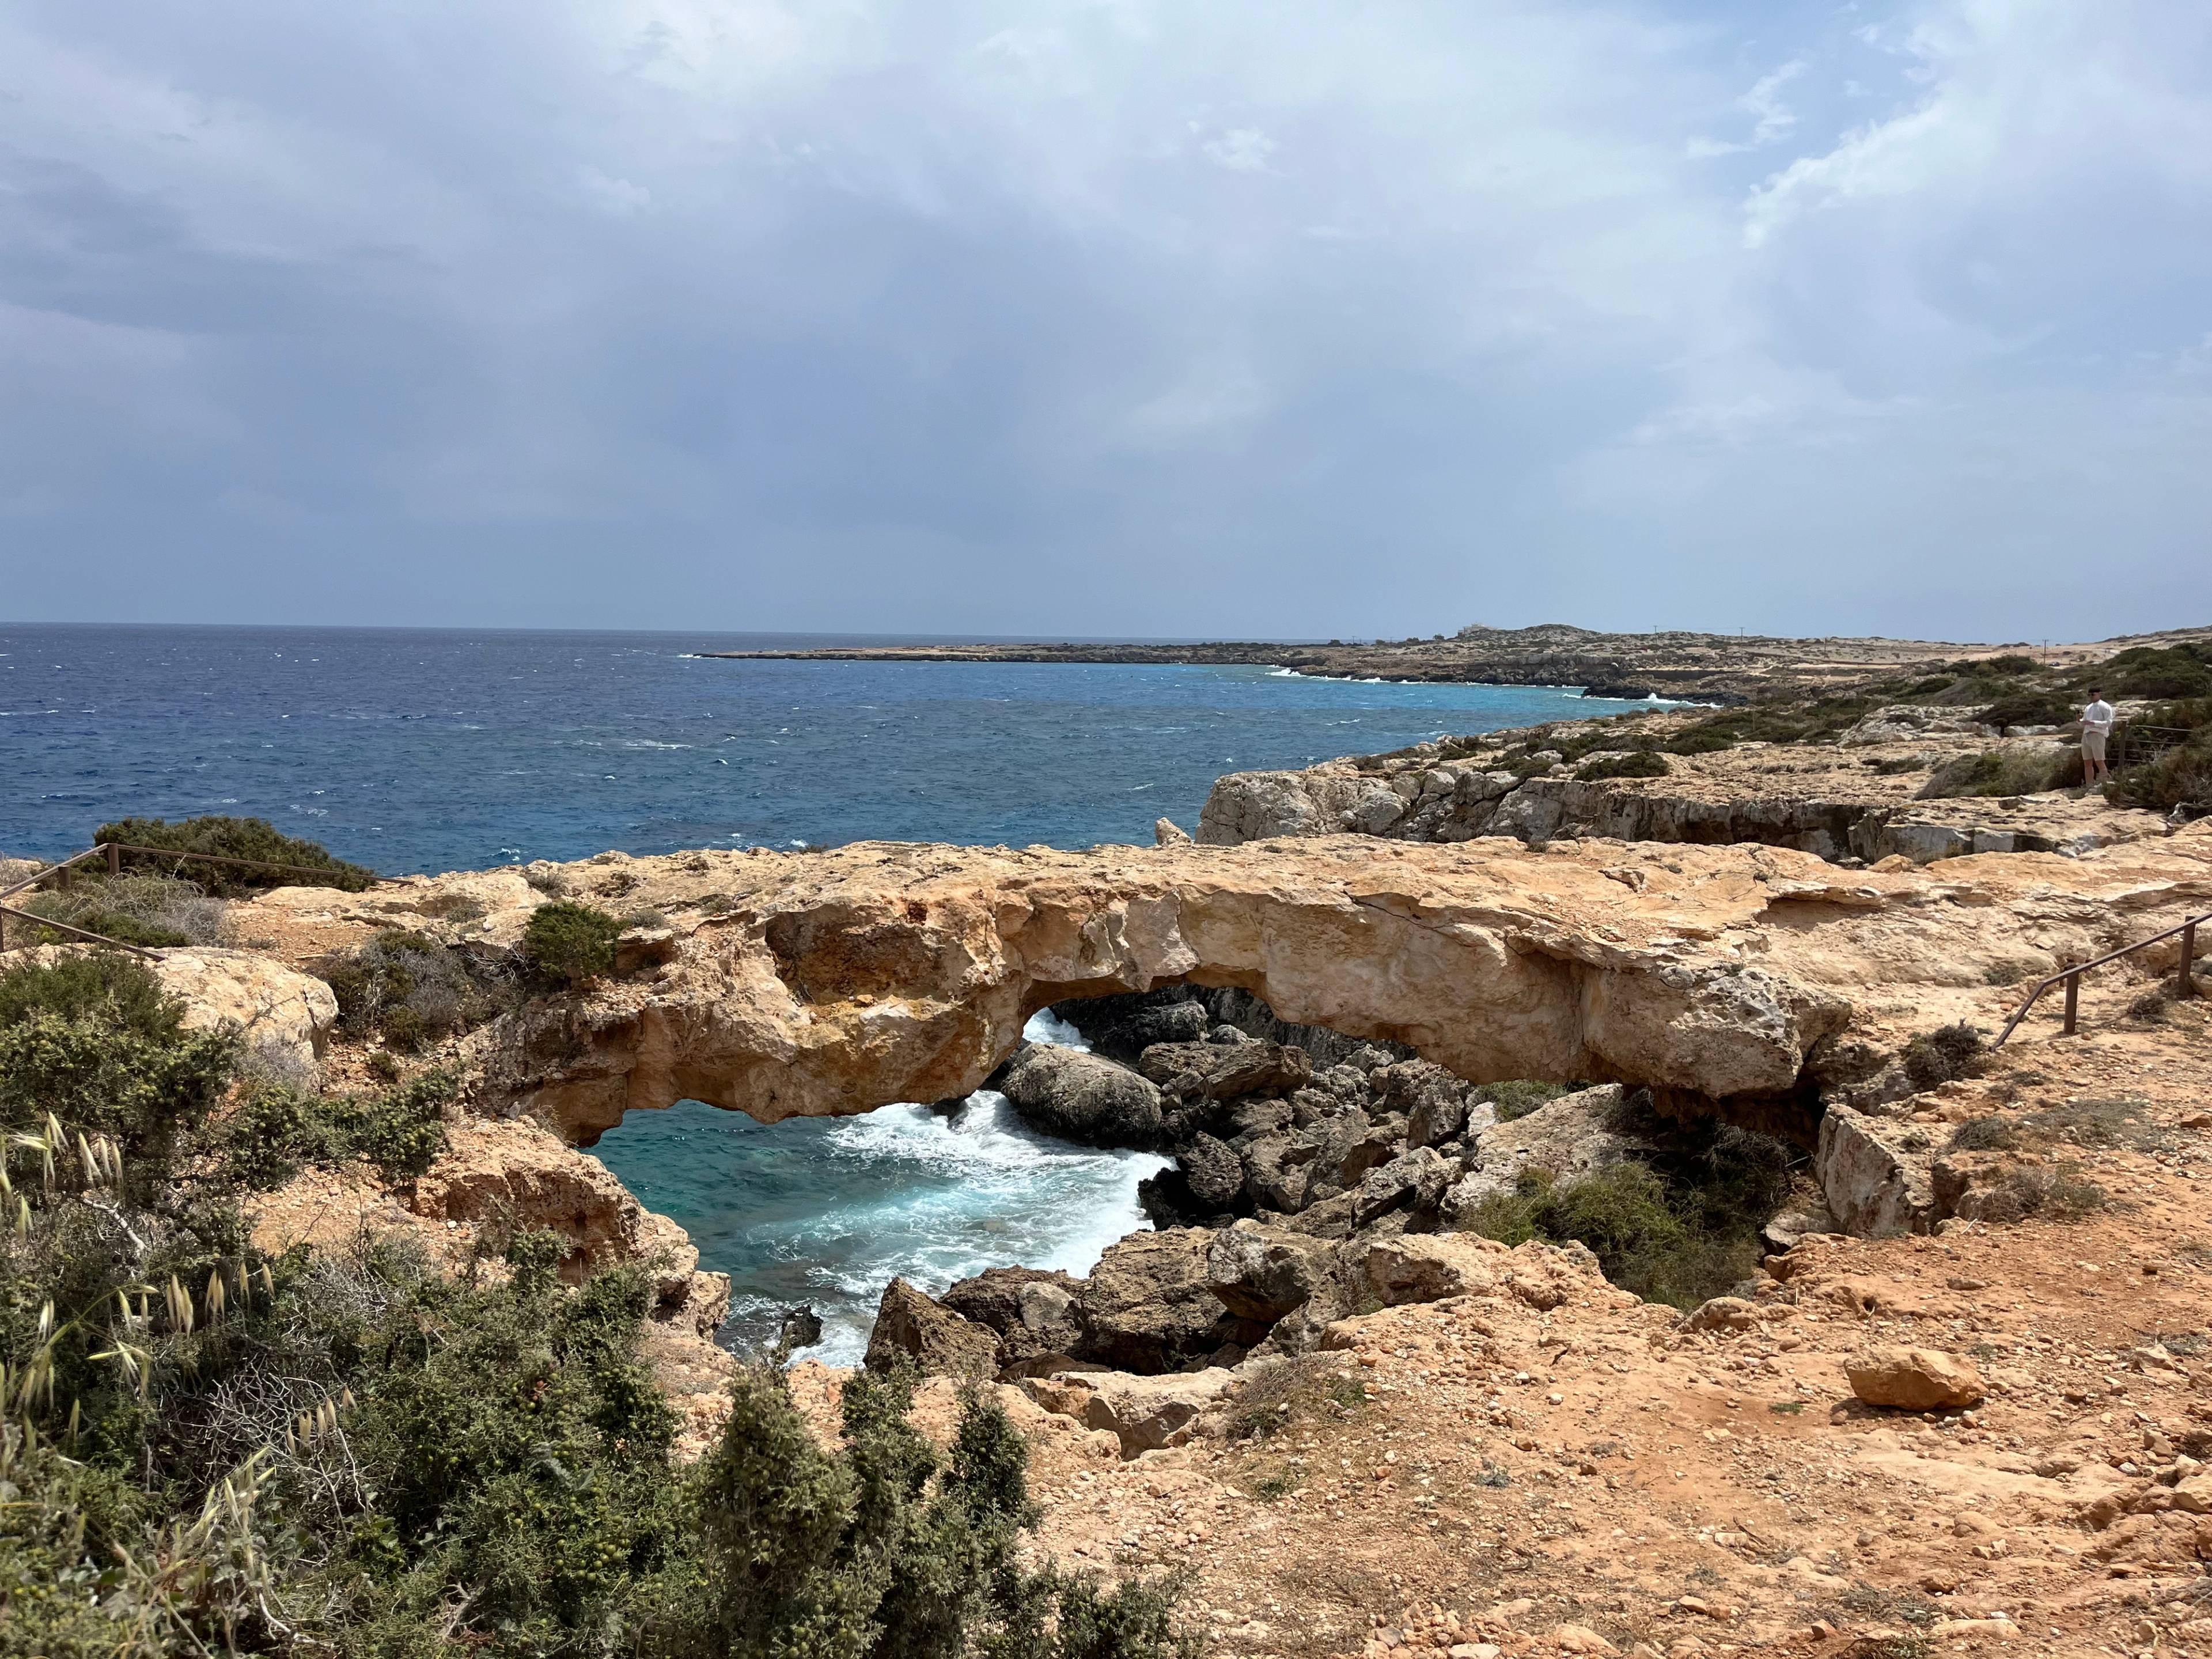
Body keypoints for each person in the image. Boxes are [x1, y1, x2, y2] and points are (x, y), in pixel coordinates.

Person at [2080, 688, 2116, 786]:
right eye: (2089, 695)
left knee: (2099, 760)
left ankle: (2105, 784)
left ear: (2099, 694)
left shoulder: (2105, 707)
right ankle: (2089, 785)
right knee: (2087, 762)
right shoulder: (2088, 707)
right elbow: (2083, 722)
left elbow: (2108, 723)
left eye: (2093, 694)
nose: (2091, 697)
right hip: (2087, 735)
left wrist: (2093, 723)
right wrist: (2080, 721)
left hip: (2097, 735)